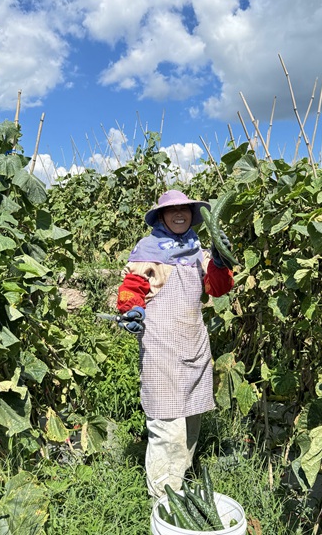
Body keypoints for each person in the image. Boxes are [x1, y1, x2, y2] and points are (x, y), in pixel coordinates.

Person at [116, 189, 235, 498]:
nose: (179, 214)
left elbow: (217, 288)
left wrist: (221, 261)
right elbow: (133, 287)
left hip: (193, 344)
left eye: (184, 210)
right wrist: (132, 310)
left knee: (190, 422)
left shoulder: (198, 250)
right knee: (167, 427)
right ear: (162, 216)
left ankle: (178, 484)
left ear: (192, 215)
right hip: (161, 348)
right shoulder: (149, 248)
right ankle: (164, 501)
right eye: (172, 211)